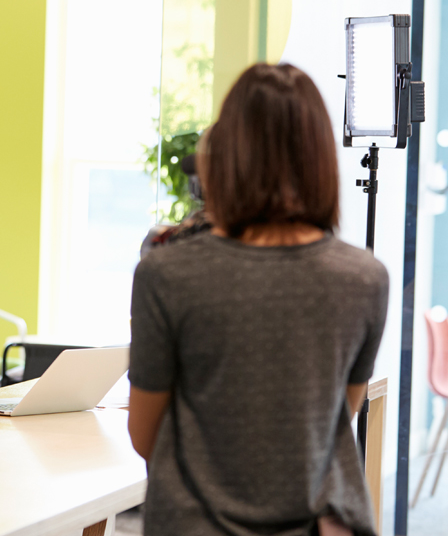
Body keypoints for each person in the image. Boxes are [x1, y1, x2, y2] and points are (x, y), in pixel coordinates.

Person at [127, 63, 389, 536]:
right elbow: (333, 417)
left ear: (224, 157)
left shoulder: (166, 274)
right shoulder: (365, 279)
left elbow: (145, 436)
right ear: (320, 158)